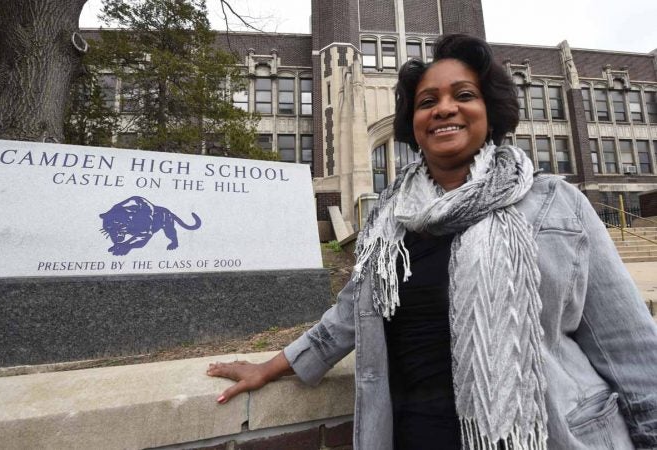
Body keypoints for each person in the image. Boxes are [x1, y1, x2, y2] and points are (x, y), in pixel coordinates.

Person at [207, 34, 657, 450]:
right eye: (428, 101)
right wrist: (271, 366)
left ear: (490, 110)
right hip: (417, 434)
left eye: (464, 95)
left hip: (548, 435)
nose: (444, 109)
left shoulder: (557, 205)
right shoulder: (389, 220)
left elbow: (630, 351)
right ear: (413, 122)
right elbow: (349, 316)